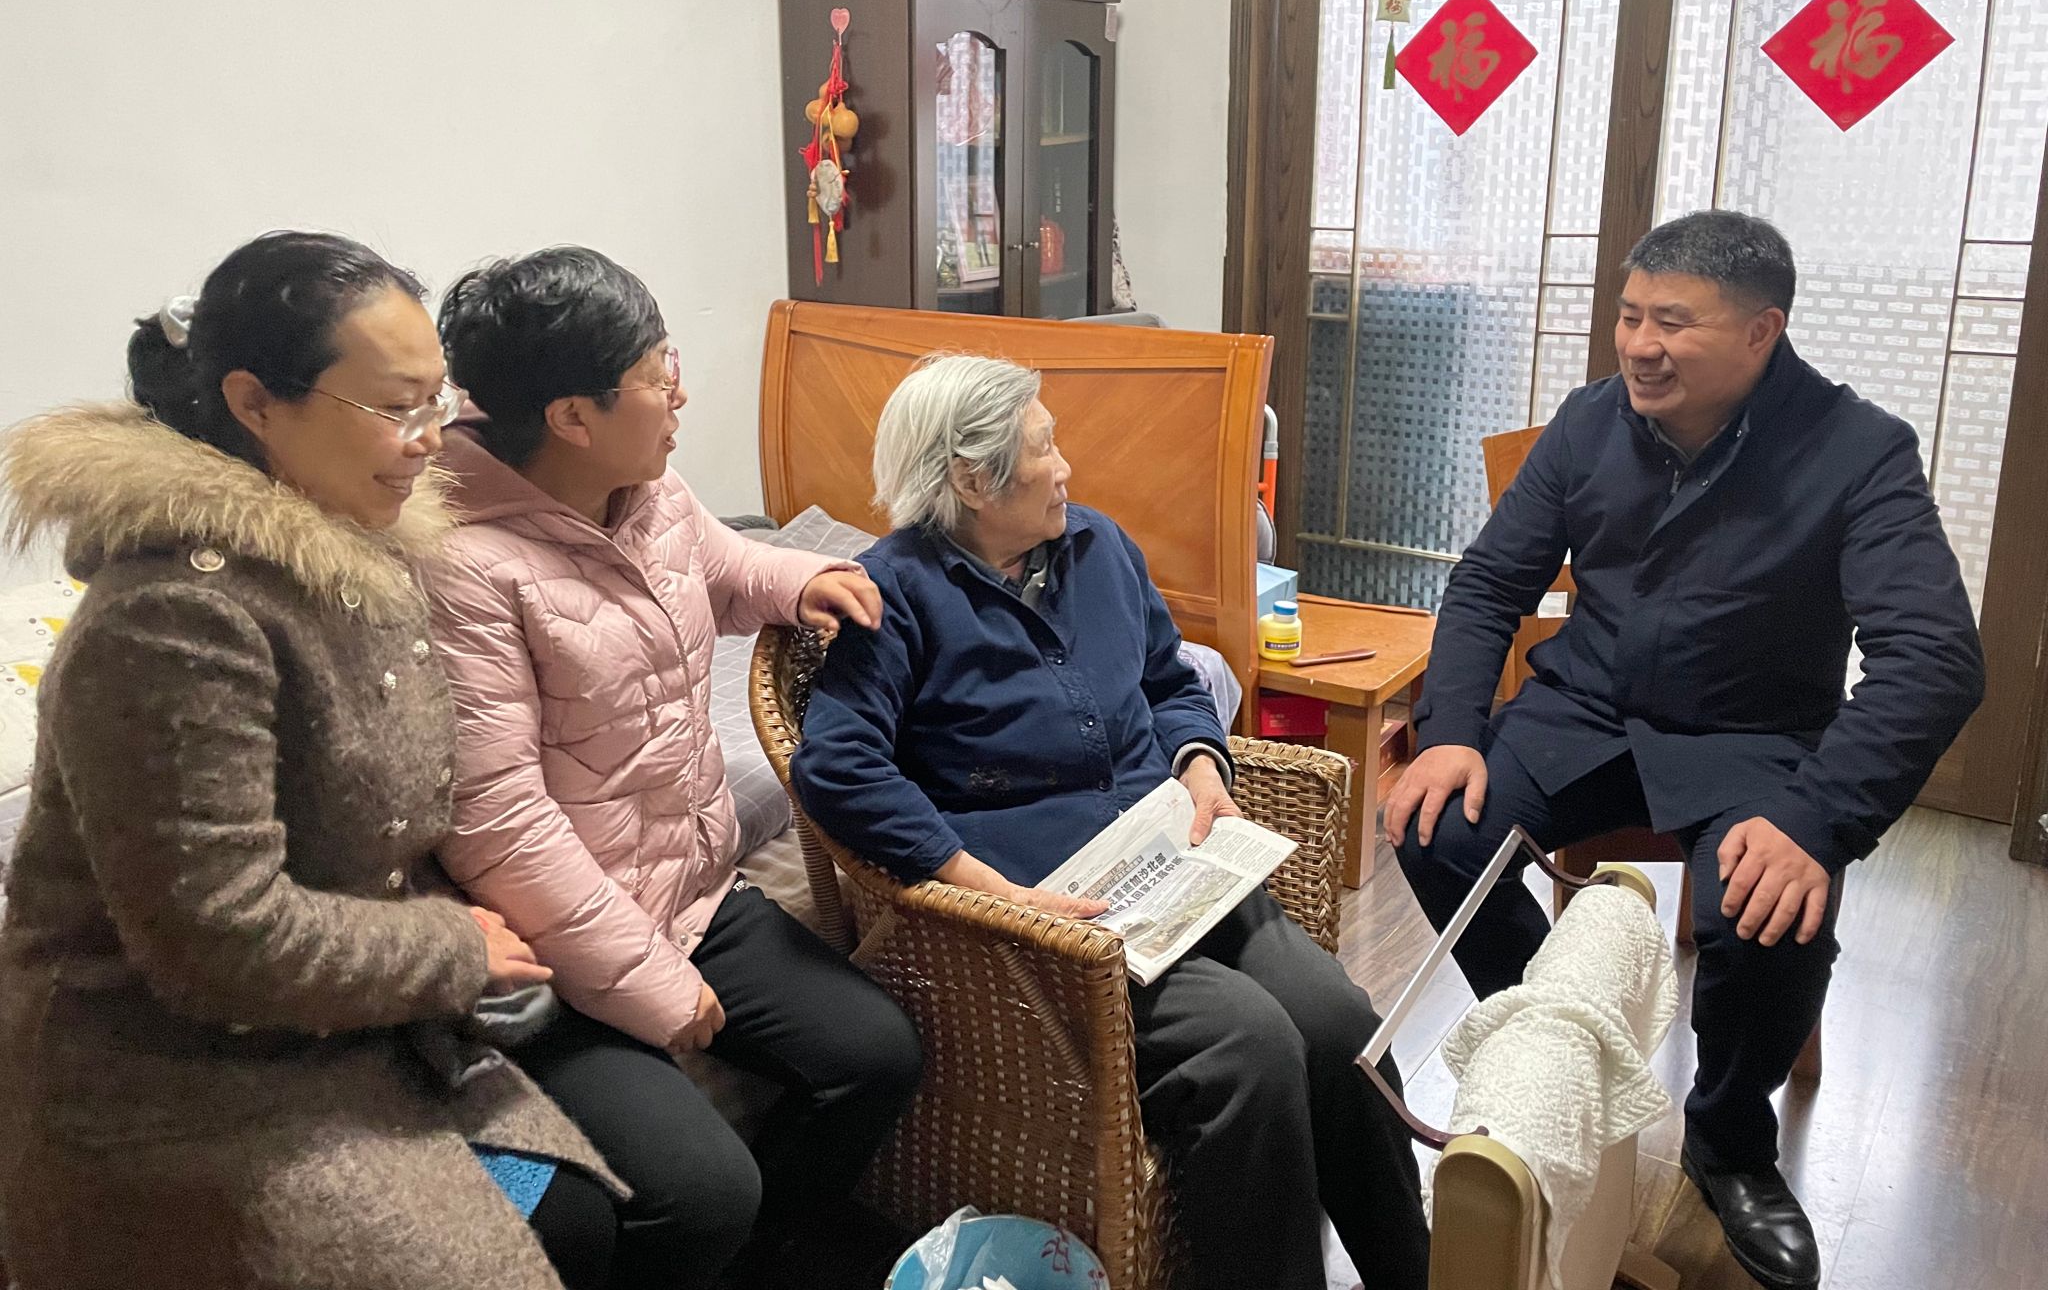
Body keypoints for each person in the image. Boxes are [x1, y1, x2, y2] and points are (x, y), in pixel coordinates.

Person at [0, 232, 626, 1290]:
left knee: (625, 1204)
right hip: (167, 1073)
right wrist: (454, 949)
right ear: (254, 403)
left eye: (438, 400)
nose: (432, 439)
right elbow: (214, 936)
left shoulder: (355, 556)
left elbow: (387, 826)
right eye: (396, 407)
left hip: (342, 1018)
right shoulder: (175, 619)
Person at [1388, 210, 1985, 1290]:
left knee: (1766, 911)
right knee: (1438, 829)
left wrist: (1814, 820)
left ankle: (1728, 1138)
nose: (1638, 345)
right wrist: (1451, 732)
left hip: (1752, 735)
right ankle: (1561, 1044)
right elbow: (1486, 584)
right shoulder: (1590, 422)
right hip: (1586, 710)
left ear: (1761, 331)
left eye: (1672, 322)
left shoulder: (1858, 451)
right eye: (1628, 317)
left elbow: (1936, 659)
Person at [790, 353, 1431, 1290]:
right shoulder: (895, 595)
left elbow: (1172, 679)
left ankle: (1417, 1271)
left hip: (1176, 864)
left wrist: (1201, 764)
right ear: (973, 479)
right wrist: (985, 884)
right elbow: (836, 765)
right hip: (1058, 918)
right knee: (1248, 1046)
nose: (1066, 469)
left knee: (1339, 1022)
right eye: (1043, 450)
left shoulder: (1098, 546)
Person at [424, 246, 923, 1290]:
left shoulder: (645, 487)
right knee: (701, 1190)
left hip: (688, 886)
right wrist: (655, 987)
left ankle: (769, 1259)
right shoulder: (463, 567)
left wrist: (805, 578)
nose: (680, 392)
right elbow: (500, 825)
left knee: (875, 1054)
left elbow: (723, 568)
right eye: (659, 373)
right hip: (563, 940)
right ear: (572, 415)